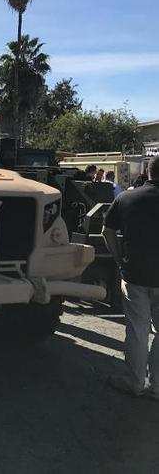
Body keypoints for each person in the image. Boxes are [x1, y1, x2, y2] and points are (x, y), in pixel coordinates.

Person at [102, 156, 159, 399]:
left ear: (148, 172)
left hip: (135, 274)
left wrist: (118, 258)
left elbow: (107, 230)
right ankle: (157, 386)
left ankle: (134, 381)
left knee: (138, 329)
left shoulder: (126, 197)